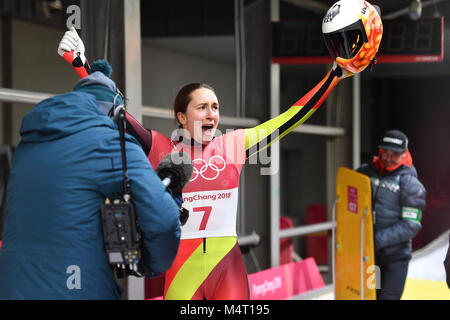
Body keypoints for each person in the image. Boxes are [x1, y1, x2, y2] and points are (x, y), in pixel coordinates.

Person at [58, 0, 382, 300]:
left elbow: (291, 117)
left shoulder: (234, 144)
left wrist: (335, 76)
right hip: (181, 268)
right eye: (202, 108)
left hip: (228, 266)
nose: (212, 114)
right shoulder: (160, 146)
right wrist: (81, 65)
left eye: (215, 106)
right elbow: (118, 114)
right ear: (182, 117)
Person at [0, 62, 181, 299]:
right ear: (117, 113)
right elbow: (164, 218)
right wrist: (152, 265)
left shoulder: (29, 145)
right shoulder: (112, 144)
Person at [357, 129, 426, 300]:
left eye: (394, 155)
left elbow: (411, 225)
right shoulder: (364, 173)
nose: (388, 158)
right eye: (385, 153)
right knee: (370, 296)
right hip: (370, 257)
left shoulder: (411, 184)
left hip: (395, 258)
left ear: (404, 154)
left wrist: (376, 240)